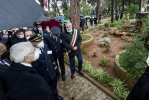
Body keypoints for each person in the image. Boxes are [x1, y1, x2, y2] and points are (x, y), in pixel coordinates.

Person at [28, 34, 64, 100]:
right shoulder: (31, 53)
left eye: (42, 40)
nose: (42, 42)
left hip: (51, 72)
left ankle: (56, 96)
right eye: (39, 41)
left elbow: (50, 55)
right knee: (47, 89)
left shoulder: (45, 46)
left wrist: (54, 65)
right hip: (43, 75)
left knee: (54, 86)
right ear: (33, 43)